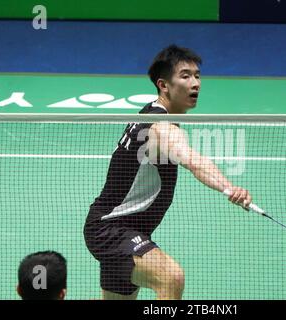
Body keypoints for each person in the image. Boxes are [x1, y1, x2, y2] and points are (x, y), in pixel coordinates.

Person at [84, 44, 252, 300]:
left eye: (197, 75)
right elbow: (192, 159)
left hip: (124, 230)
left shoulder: (150, 113)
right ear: (163, 85)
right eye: (185, 76)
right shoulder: (162, 127)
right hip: (112, 231)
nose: (195, 83)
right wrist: (229, 188)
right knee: (171, 278)